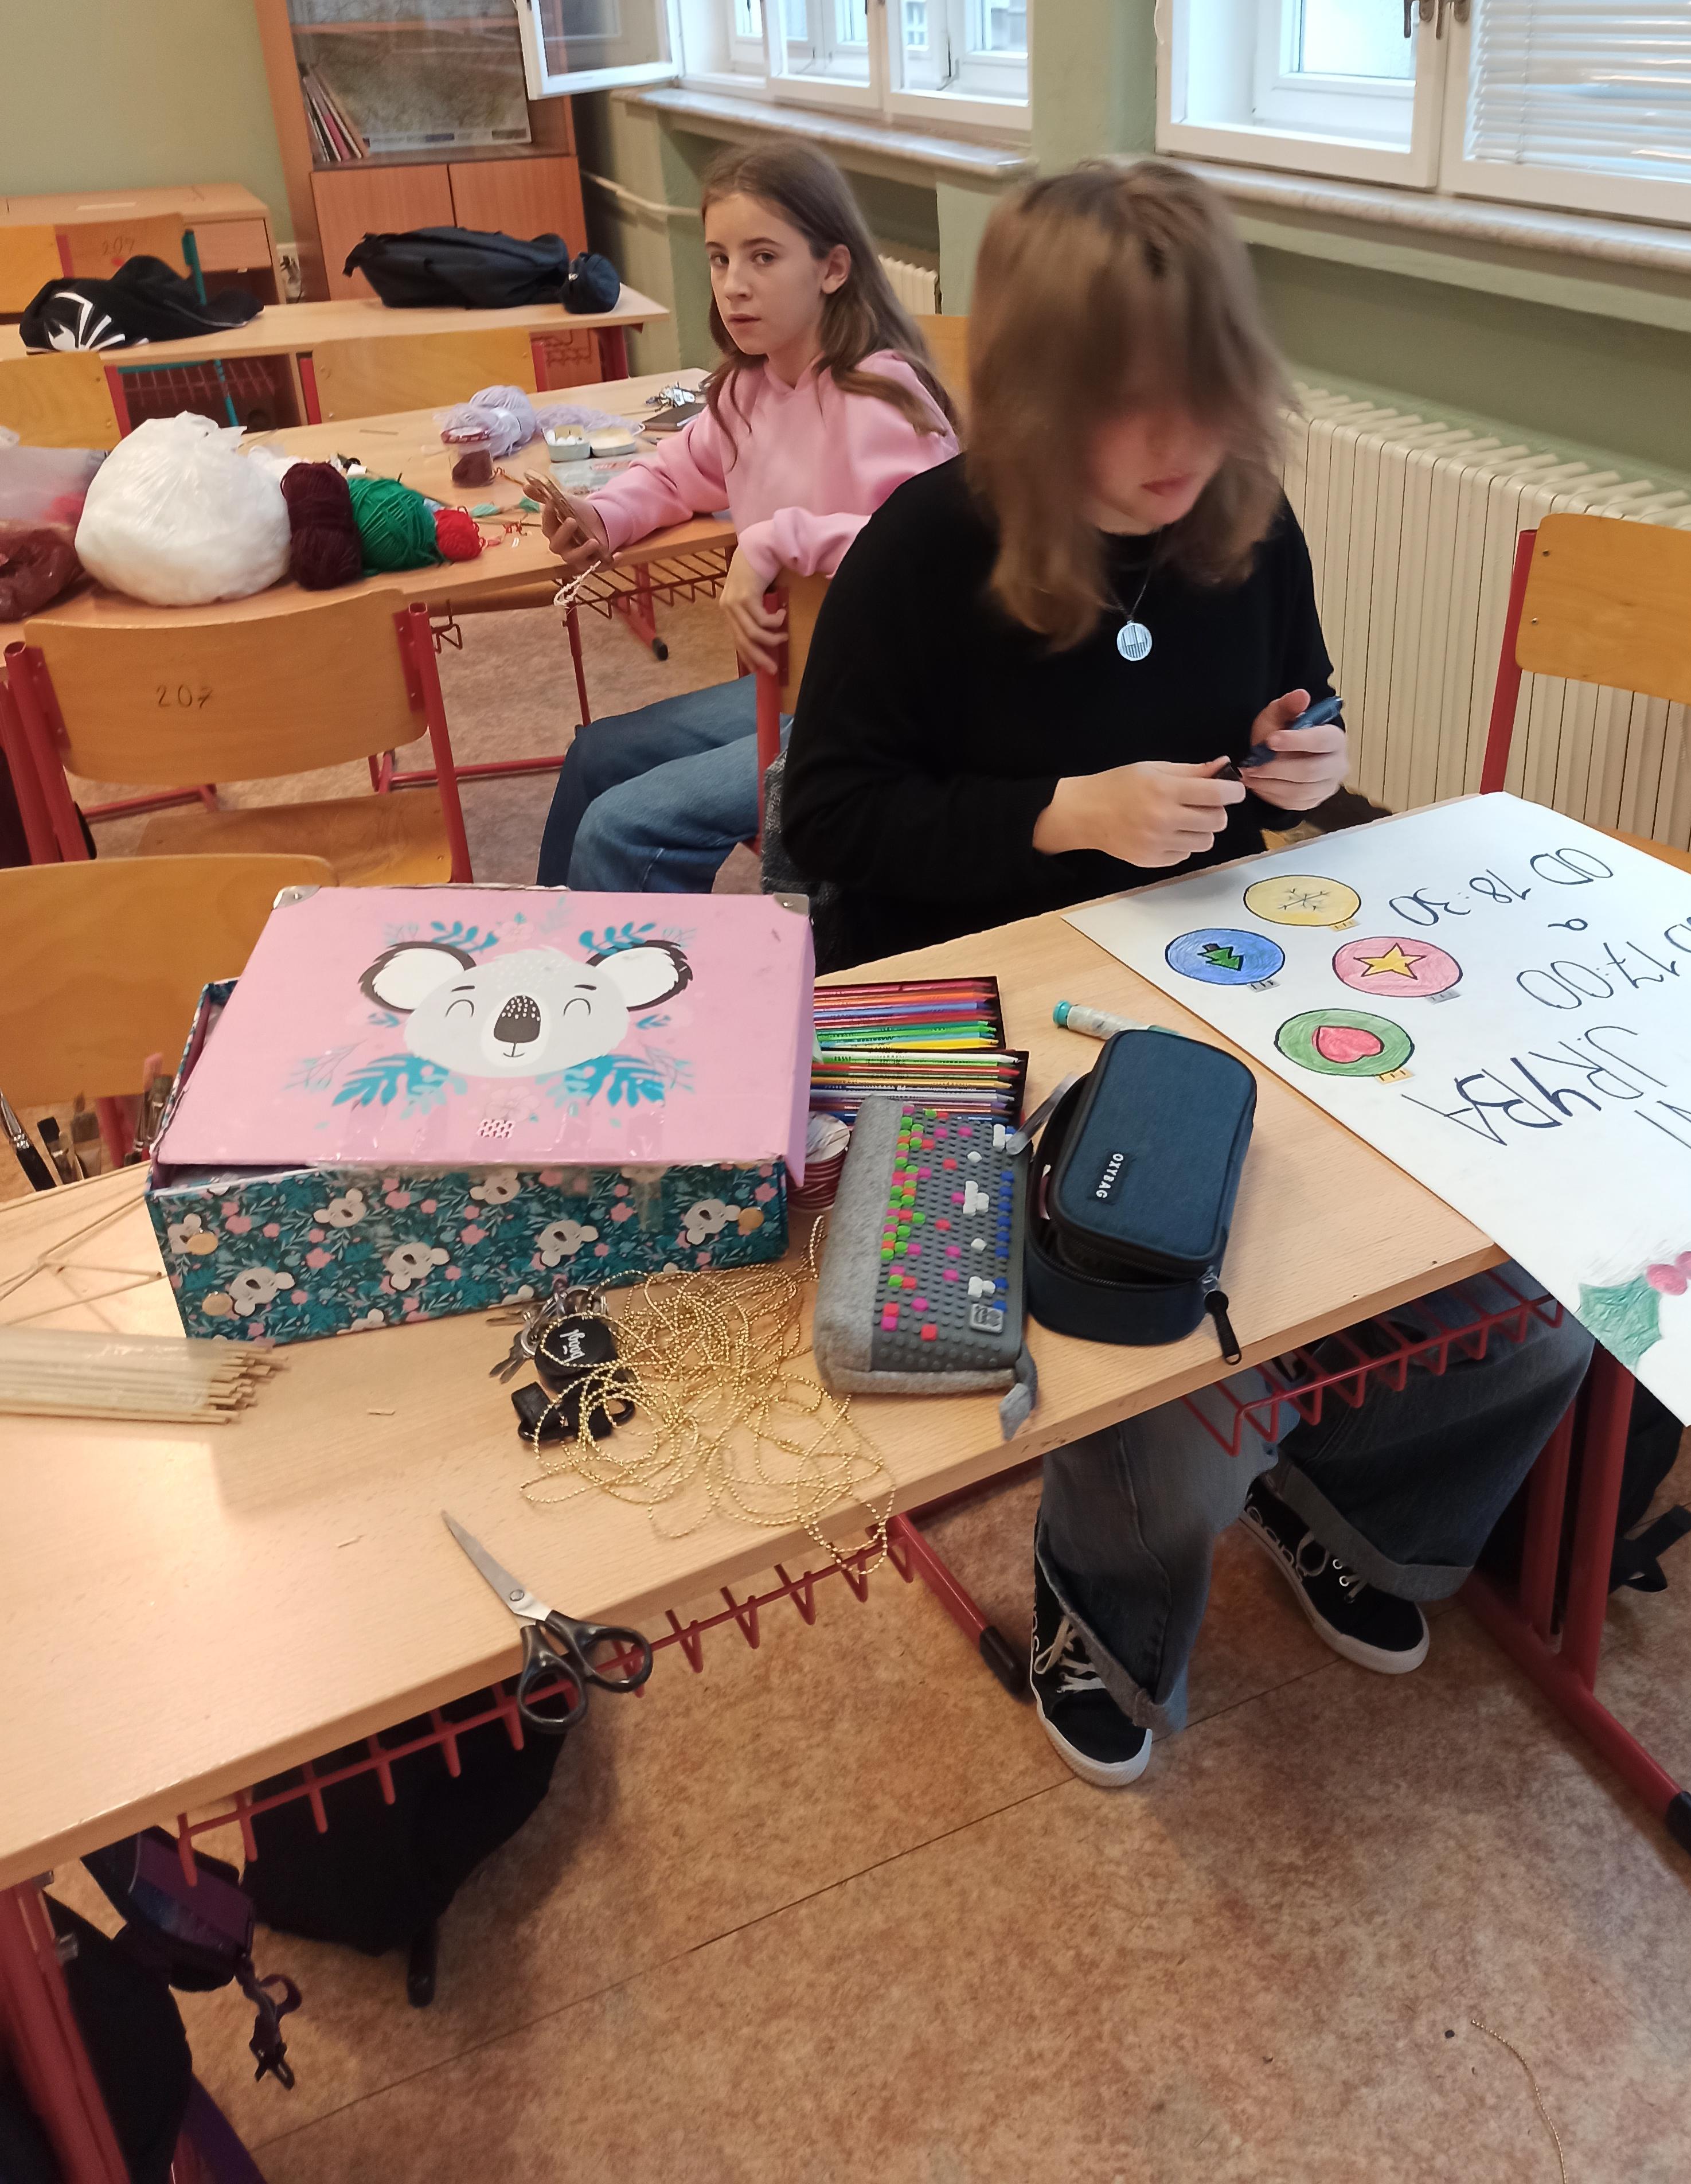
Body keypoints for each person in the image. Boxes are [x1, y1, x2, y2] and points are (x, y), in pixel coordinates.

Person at [780, 161, 1591, 1787]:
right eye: (1124, 410)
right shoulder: (926, 547)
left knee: (1542, 1296)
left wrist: (1310, 755)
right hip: (980, 1004)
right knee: (1170, 1350)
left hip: (1210, 969)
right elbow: (829, 818)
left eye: (1206, 399)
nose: (1175, 449)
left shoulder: (1243, 516)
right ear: (1032, 396)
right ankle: (1106, 1614)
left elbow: (1297, 695)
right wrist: (1060, 813)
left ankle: (1348, 1502)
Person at [535, 139, 958, 894]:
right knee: (595, 758)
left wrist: (776, 539)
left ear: (833, 268)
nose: (734, 285)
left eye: (764, 257)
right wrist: (602, 515)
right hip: (793, 686)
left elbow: (933, 553)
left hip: (884, 714)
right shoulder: (743, 390)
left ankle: (657, 972)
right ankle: (552, 952)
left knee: (620, 827)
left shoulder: (880, 396)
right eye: (720, 259)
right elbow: (680, 471)